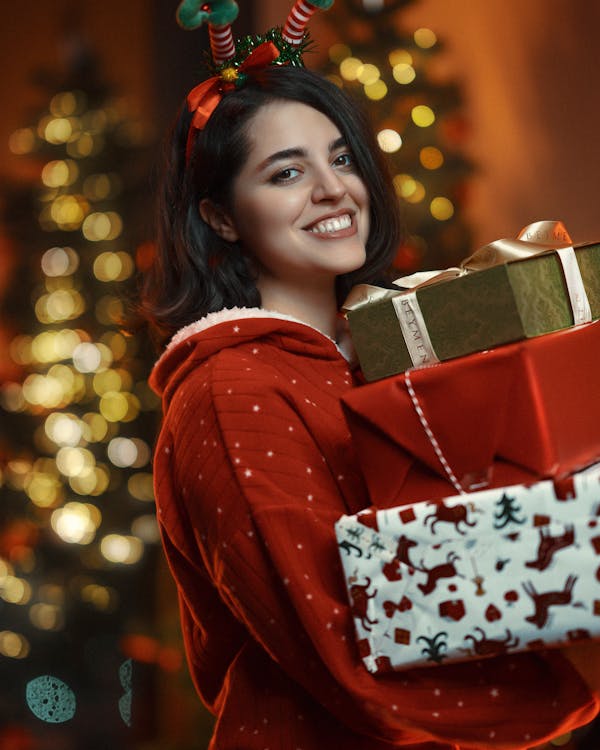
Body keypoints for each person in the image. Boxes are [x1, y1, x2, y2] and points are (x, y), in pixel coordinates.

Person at [139, 5, 598, 749]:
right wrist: (577, 670)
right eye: (286, 172)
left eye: (341, 157)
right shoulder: (233, 395)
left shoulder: (387, 355)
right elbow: (345, 654)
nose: (331, 189)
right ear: (221, 217)